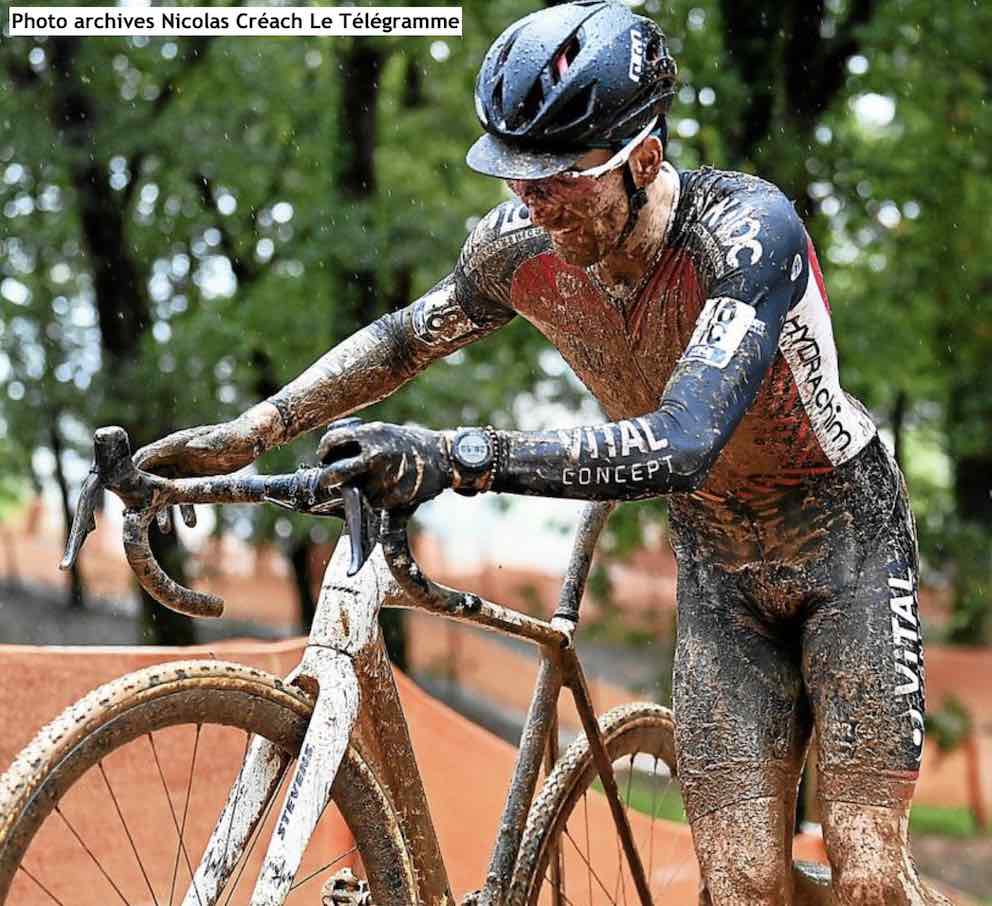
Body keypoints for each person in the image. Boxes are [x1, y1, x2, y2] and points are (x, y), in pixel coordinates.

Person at [137, 3, 952, 904]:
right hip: (721, 563)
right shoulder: (518, 247)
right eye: (514, 174)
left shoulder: (748, 234)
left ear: (643, 159)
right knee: (741, 884)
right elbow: (406, 339)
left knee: (866, 868)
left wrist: (462, 453)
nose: (530, 199)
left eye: (558, 176)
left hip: (845, 540)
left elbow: (681, 441)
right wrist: (251, 431)